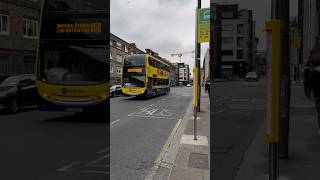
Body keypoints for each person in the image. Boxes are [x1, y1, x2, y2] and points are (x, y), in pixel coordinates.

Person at [309, 60, 320, 134]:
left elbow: (310, 83)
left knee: (319, 112)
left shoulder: (314, 73)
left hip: (317, 95)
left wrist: (310, 92)